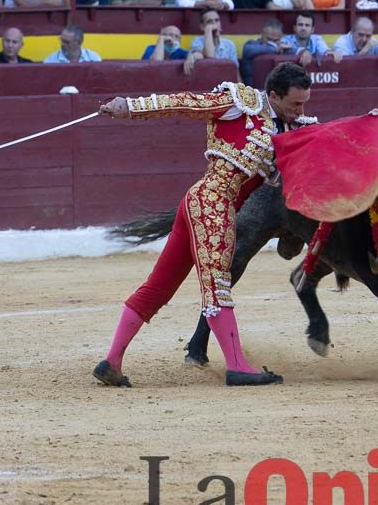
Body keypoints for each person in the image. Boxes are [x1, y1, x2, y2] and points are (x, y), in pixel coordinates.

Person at [92, 63, 313, 388]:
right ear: (275, 96)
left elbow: (329, 142)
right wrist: (131, 107)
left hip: (200, 205)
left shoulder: (295, 128)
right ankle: (237, 366)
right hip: (212, 206)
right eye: (296, 103)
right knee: (216, 286)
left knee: (159, 286)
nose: (301, 110)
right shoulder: (241, 103)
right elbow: (184, 103)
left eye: (305, 103)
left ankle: (111, 362)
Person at [185, 9, 238, 73]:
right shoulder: (197, 41)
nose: (214, 24)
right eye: (209, 22)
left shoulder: (229, 44)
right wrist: (208, 29)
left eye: (217, 20)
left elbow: (235, 70)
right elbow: (210, 55)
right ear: (202, 27)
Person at [239, 18, 289, 84]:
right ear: (262, 34)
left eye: (275, 40)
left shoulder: (283, 46)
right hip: (253, 88)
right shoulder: (251, 44)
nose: (271, 42)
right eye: (269, 39)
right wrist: (275, 48)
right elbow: (248, 50)